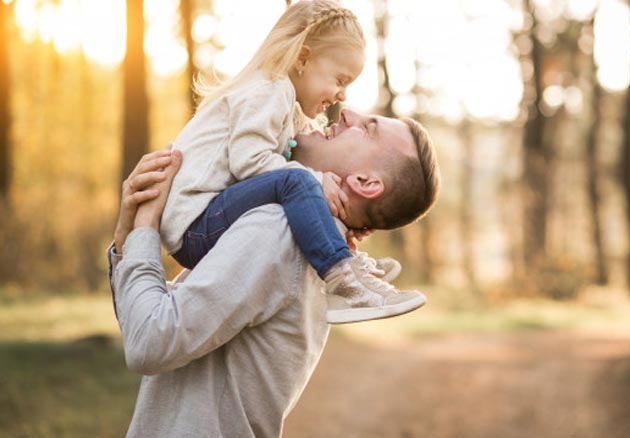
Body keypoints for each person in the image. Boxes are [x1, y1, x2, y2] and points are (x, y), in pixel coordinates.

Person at [108, 107, 440, 438]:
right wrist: (127, 240)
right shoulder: (312, 241)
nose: (347, 113)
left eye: (367, 129)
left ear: (365, 182)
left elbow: (149, 341)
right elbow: (150, 320)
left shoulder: (281, 229)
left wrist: (146, 228)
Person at [160, 0, 422, 324]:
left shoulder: (285, 101)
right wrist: (313, 179)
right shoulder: (267, 90)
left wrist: (338, 224)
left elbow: (300, 151)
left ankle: (345, 257)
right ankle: (344, 283)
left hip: (209, 218)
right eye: (340, 80)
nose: (342, 97)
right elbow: (250, 162)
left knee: (300, 180)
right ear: (303, 58)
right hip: (194, 225)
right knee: (297, 180)